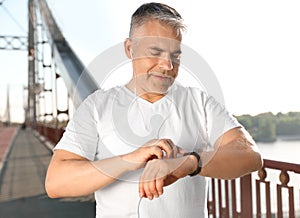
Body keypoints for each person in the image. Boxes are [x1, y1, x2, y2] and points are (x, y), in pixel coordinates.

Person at [45, 2, 262, 218]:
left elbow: (250, 156)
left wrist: (188, 163)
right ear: (130, 49)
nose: (167, 65)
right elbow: (56, 182)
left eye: (175, 56)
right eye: (155, 52)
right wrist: (128, 160)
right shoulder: (96, 106)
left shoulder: (199, 101)